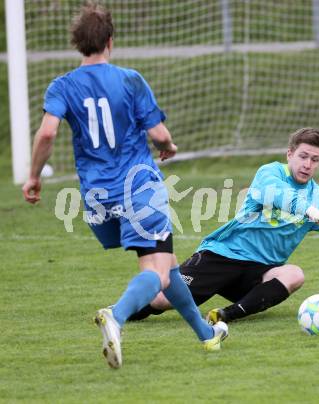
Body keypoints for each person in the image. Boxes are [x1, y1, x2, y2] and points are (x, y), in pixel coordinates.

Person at [22, 2, 227, 369]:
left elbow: (48, 132)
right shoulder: (129, 79)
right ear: (110, 42)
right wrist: (168, 146)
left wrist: (35, 176)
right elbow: (158, 133)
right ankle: (116, 316)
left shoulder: (62, 86)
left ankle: (206, 335)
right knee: (157, 272)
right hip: (138, 187)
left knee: (167, 266)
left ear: (77, 43)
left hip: (97, 197)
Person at [128, 127, 319, 324]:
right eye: (303, 156)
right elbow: (274, 195)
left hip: (259, 272)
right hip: (223, 256)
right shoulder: (270, 173)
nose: (308, 164)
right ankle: (121, 312)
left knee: (294, 274)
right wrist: (311, 213)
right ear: (290, 154)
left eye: (315, 159)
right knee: (162, 300)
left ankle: (226, 315)